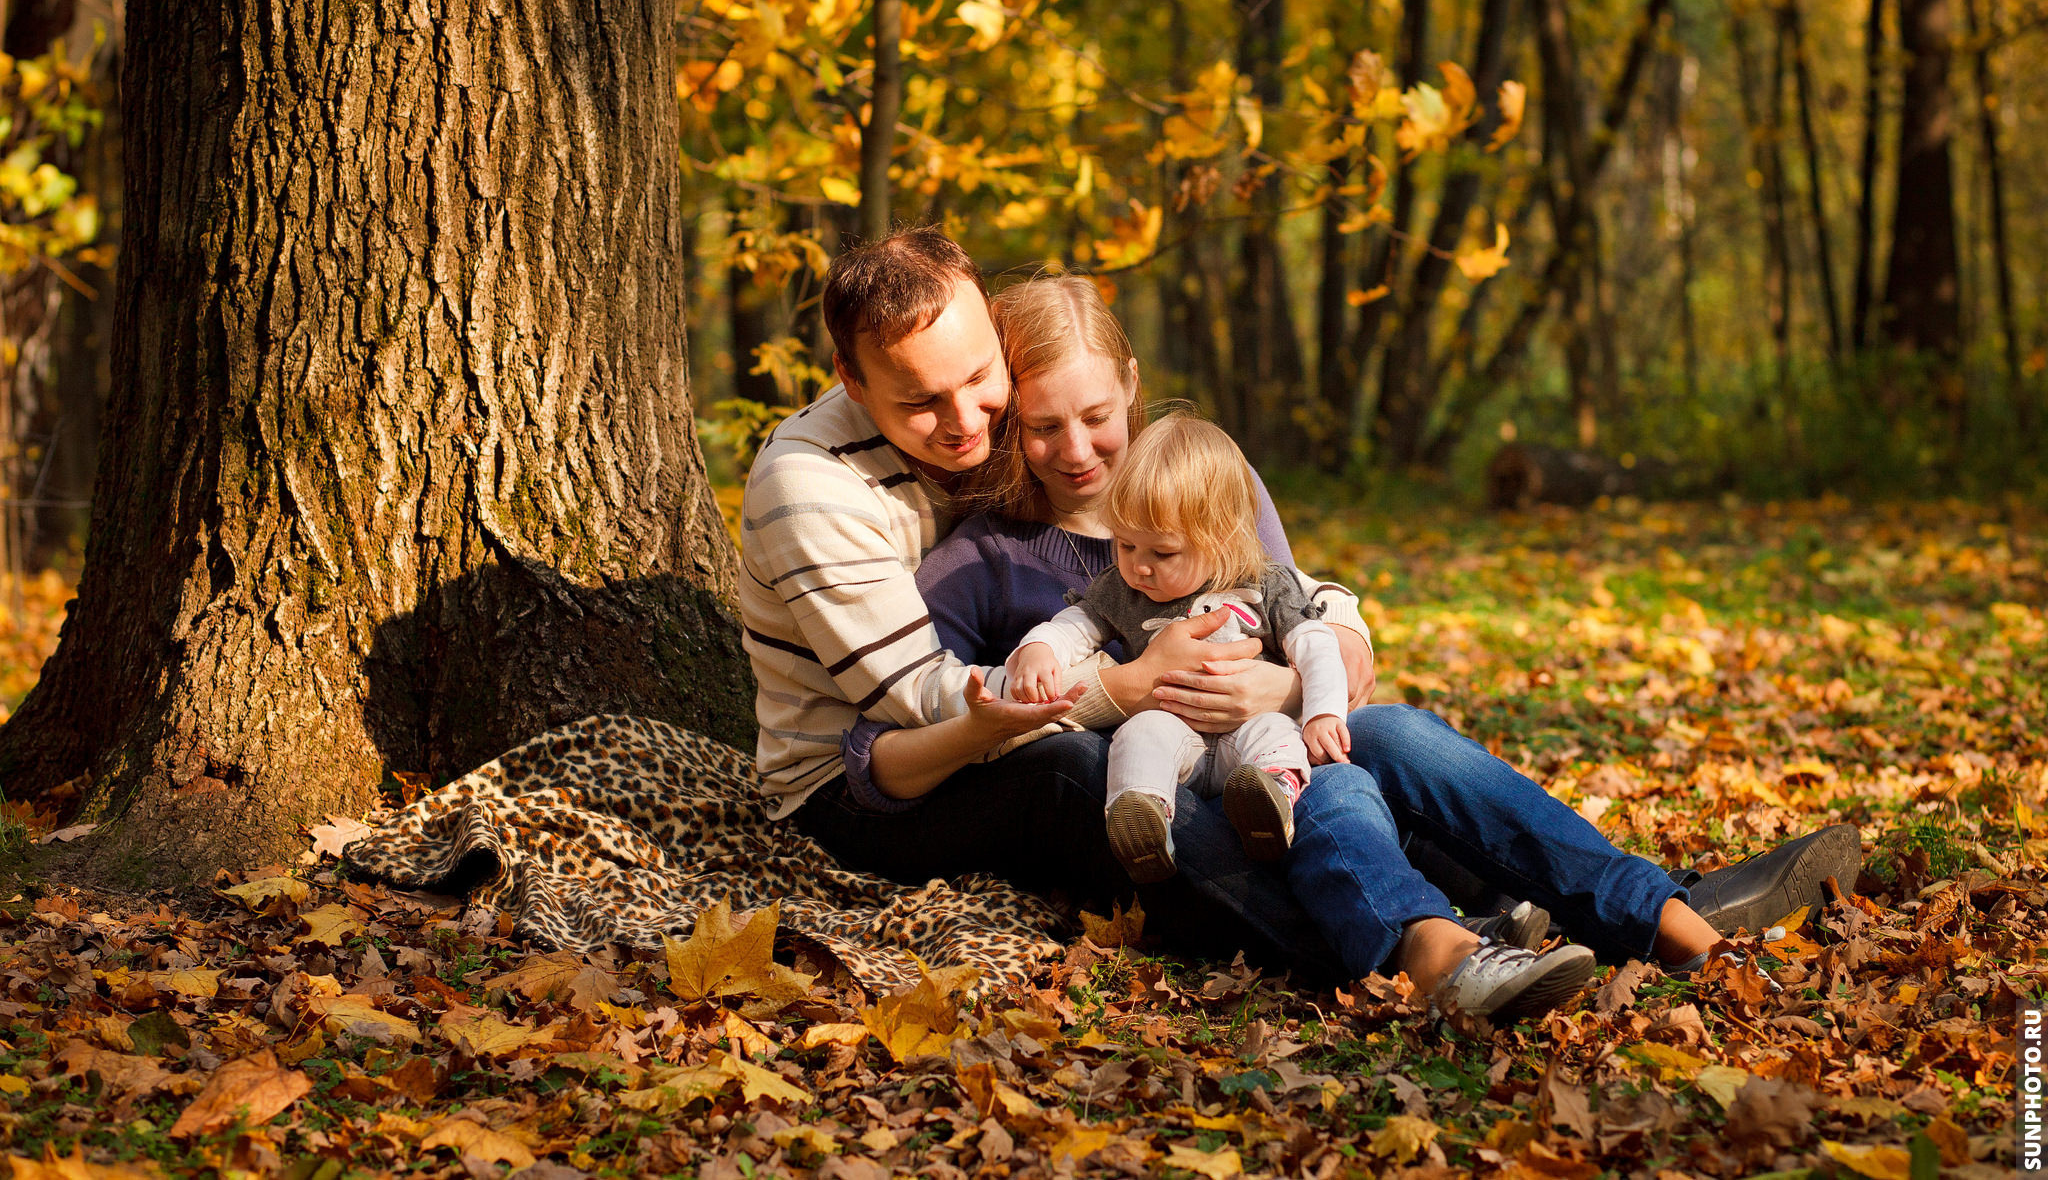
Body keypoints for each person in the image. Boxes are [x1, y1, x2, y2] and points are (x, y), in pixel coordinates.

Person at [742, 234, 1857, 1020]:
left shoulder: (1192, 488)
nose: (1036, 440)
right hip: (1027, 763)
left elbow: (1306, 610)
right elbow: (917, 722)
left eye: (1000, 398)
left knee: (1383, 743)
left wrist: (1289, 689)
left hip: (1263, 736)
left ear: (1129, 390)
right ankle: (1456, 940)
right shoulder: (971, 543)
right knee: (1179, 780)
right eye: (1033, 425)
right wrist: (1123, 687)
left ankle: (1641, 910)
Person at [1006, 414, 1348, 880]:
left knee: (1275, 731)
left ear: (1221, 539)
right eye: (1124, 546)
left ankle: (1268, 804)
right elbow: (1075, 624)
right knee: (1140, 731)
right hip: (1175, 737)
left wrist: (1324, 712)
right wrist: (1040, 648)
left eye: (1161, 553)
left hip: (1246, 736)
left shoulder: (1264, 584)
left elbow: (1315, 644)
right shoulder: (1120, 590)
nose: (1138, 568)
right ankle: (1143, 818)